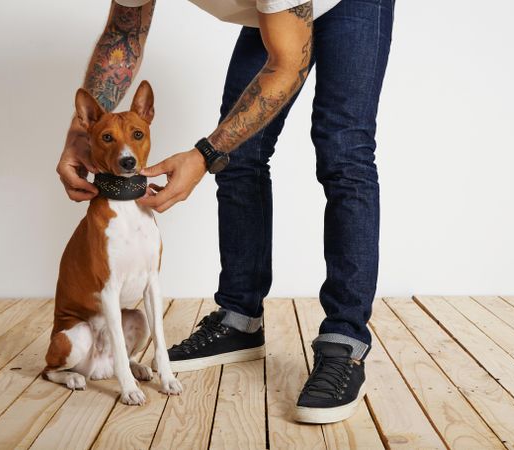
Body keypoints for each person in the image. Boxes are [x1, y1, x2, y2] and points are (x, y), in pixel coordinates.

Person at [56, 0, 394, 423]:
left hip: (349, 5)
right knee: (241, 154)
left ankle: (345, 341)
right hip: (275, 15)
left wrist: (203, 155)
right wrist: (79, 134)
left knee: (343, 151)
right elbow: (124, 34)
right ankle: (240, 320)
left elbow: (287, 64)